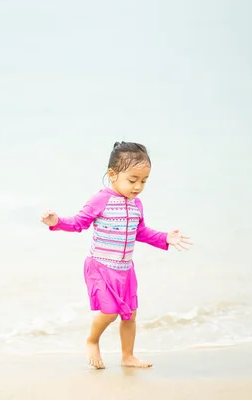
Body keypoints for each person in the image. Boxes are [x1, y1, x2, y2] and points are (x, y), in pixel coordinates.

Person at [40, 141, 192, 369]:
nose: (138, 187)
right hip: (100, 266)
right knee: (109, 312)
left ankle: (127, 356)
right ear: (112, 174)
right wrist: (56, 222)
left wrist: (165, 237)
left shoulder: (136, 204)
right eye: (132, 180)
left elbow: (139, 232)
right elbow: (79, 223)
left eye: (143, 181)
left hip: (125, 269)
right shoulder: (100, 200)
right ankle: (92, 340)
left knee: (130, 314)